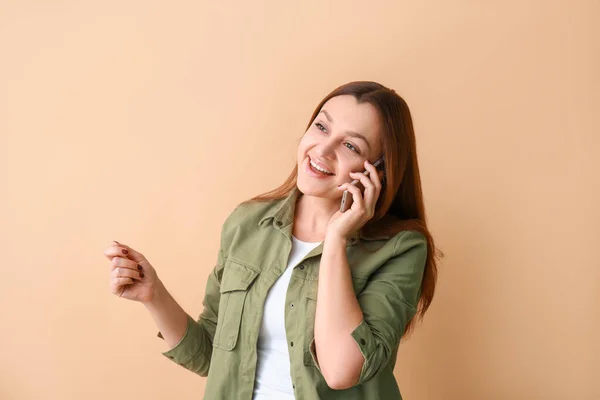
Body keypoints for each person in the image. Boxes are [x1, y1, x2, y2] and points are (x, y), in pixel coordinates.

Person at [104, 81, 440, 400]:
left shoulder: (401, 248)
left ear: (377, 172)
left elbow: (341, 371)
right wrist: (154, 294)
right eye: (321, 127)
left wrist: (336, 238)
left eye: (350, 145)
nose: (323, 150)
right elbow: (210, 354)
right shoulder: (248, 224)